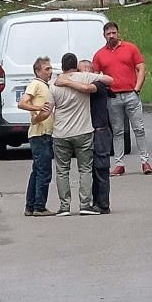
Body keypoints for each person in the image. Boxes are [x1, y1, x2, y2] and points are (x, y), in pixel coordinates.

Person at [49, 52, 113, 216]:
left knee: (62, 170)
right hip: (83, 131)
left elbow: (50, 108)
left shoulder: (55, 83)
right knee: (85, 169)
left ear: (62, 66)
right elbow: (109, 80)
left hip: (61, 132)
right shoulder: (85, 78)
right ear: (76, 66)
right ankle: (85, 204)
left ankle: (64, 206)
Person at [92, 21, 152, 176]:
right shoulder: (99, 54)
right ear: (104, 36)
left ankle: (145, 161)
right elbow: (95, 76)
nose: (111, 36)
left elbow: (141, 68)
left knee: (139, 128)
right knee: (118, 131)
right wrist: (104, 90)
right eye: (108, 34)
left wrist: (137, 88)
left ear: (118, 33)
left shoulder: (130, 48)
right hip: (113, 97)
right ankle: (119, 164)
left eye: (113, 33)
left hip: (131, 94)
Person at [18, 56, 55, 217]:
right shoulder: (36, 84)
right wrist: (38, 107)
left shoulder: (45, 86)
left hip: (44, 133)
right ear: (38, 71)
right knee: (44, 172)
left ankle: (30, 205)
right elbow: (22, 103)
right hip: (40, 134)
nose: (50, 71)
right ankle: (39, 206)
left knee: (37, 171)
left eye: (50, 68)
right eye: (47, 69)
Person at [79, 59, 112, 214]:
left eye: (87, 70)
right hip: (87, 131)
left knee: (101, 168)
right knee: (89, 169)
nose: (84, 74)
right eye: (81, 71)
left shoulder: (98, 84)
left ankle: (103, 204)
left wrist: (66, 81)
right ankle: (93, 201)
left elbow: (87, 88)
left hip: (100, 131)